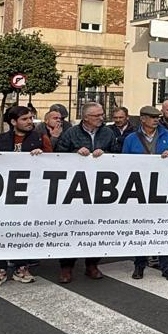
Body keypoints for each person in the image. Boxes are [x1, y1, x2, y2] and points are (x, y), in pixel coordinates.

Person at [0, 105, 47, 287]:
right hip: (3, 195)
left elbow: (54, 162)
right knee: (0, 231)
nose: (30, 122)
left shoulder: (40, 139)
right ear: (13, 122)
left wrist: (43, 156)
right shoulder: (1, 139)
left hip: (29, 196)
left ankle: (21, 266)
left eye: (31, 118)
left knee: (23, 230)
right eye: (25, 119)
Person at [55, 103, 120, 282]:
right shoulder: (71, 133)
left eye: (102, 114)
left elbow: (117, 154)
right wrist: (75, 153)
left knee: (97, 227)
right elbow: (58, 154)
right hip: (75, 189)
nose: (102, 117)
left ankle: (92, 264)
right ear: (85, 118)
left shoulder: (107, 133)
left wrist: (105, 153)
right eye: (97, 115)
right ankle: (67, 267)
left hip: (100, 187)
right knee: (72, 227)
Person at [122, 105, 168, 281]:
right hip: (139, 189)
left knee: (163, 227)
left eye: (157, 117)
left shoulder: (166, 136)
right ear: (143, 119)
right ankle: (139, 264)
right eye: (152, 117)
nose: (156, 120)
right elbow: (123, 162)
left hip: (162, 188)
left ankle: (166, 265)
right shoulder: (131, 139)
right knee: (141, 227)